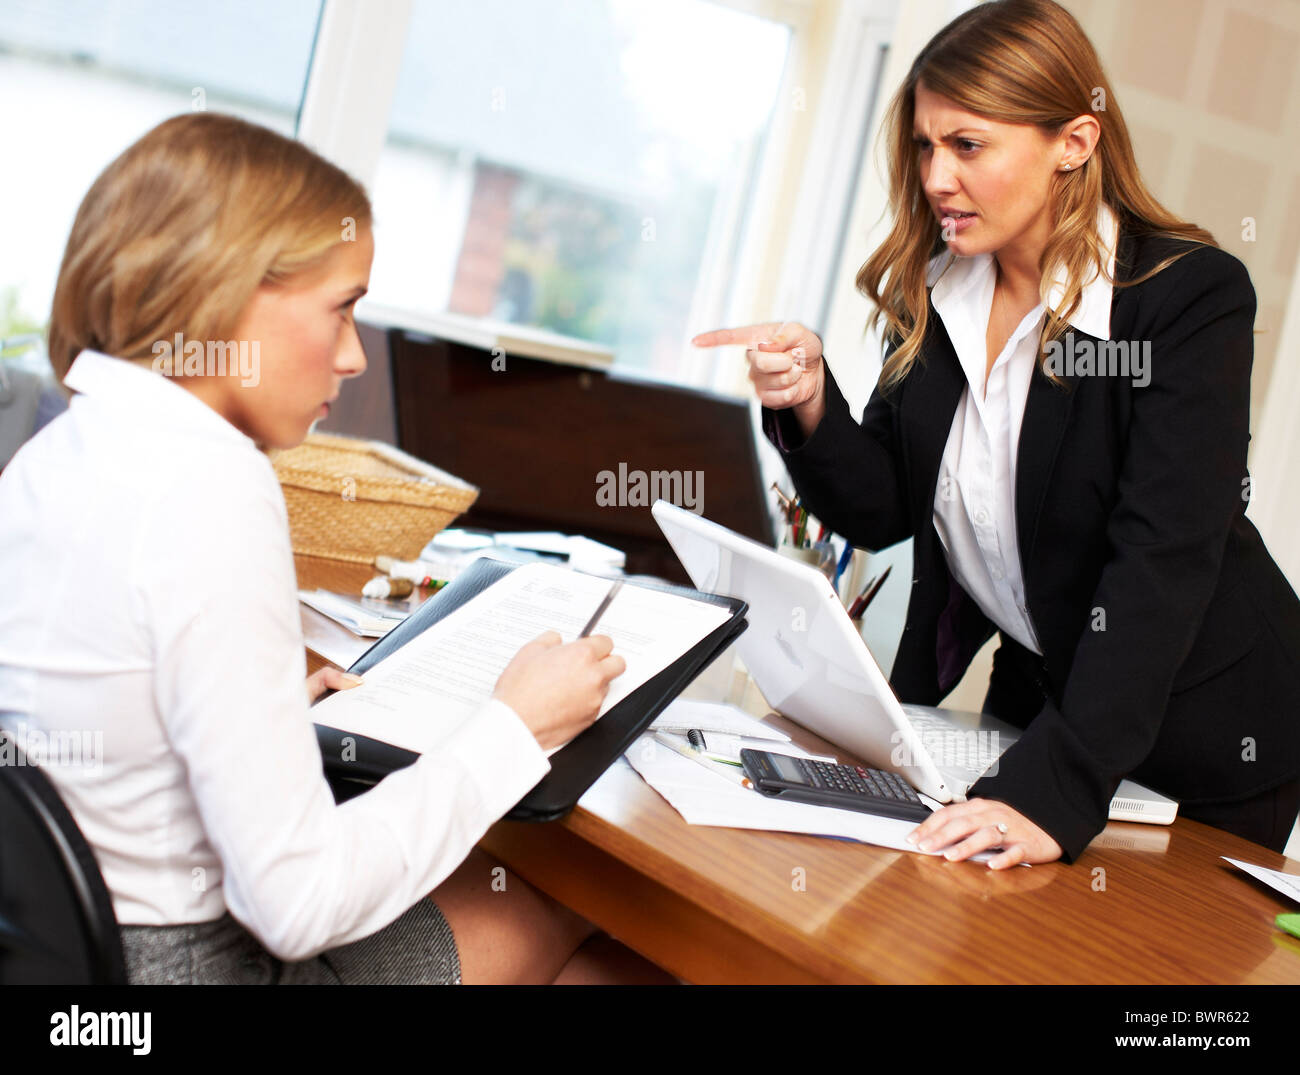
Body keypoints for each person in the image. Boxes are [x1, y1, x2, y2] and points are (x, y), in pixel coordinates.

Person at [0, 111, 673, 984]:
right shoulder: (212, 488)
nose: (354, 355)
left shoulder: (53, 456)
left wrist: (264, 711)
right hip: (191, 965)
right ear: (228, 294)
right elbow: (299, 902)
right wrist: (514, 726)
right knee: (593, 916)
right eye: (343, 308)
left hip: (69, 957)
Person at [694, 0, 1300, 868]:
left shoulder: (1187, 300)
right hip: (1049, 713)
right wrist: (809, 399)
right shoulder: (941, 289)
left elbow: (1161, 559)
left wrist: (1056, 787)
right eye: (924, 146)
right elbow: (885, 506)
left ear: (1074, 143)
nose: (937, 176)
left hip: (1209, 733)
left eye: (967, 145)